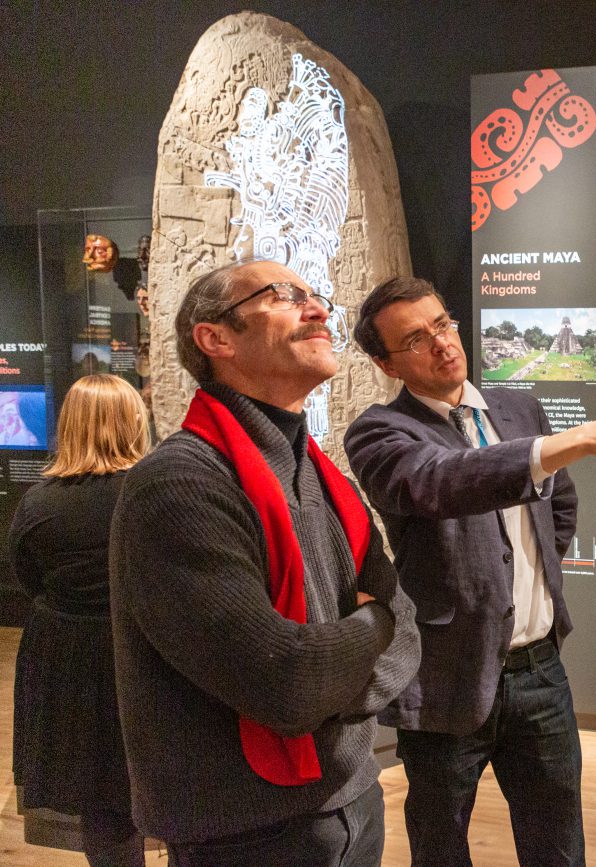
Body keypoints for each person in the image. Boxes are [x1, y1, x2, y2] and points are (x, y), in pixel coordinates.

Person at [344, 276, 596, 866]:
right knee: (441, 842)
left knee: (557, 840)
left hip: (539, 669)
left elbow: (560, 503)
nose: (443, 343)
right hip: (449, 674)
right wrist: (580, 438)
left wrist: (538, 573)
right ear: (385, 362)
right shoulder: (379, 432)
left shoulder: (517, 406)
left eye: (443, 324)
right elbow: (443, 478)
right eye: (416, 339)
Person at [108, 260, 421, 866]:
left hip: (353, 802)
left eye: (315, 296)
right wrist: (372, 624)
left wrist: (343, 676)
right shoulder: (180, 485)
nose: (319, 310)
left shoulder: (320, 475)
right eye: (284, 296)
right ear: (216, 338)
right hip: (245, 832)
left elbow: (406, 628)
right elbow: (287, 684)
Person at [8, 374, 150, 867]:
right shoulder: (151, 495)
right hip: (140, 656)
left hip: (65, 658)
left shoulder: (38, 503)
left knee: (98, 802)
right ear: (133, 421)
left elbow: (29, 577)